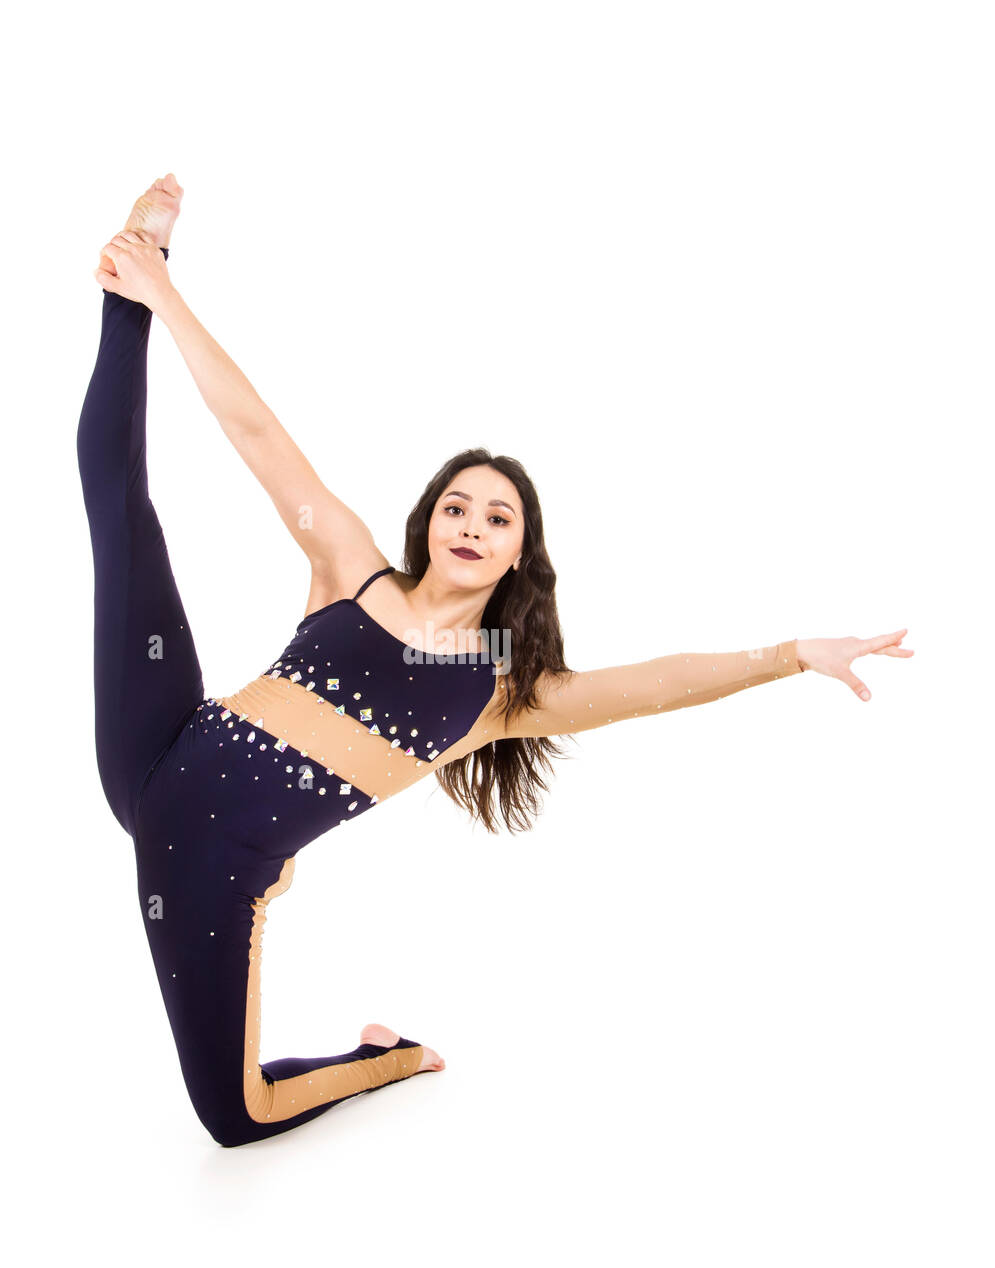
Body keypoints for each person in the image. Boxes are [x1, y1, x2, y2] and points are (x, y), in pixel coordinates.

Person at [77, 173, 913, 1148]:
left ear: (521, 549)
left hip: (210, 869)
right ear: (431, 521)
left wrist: (791, 653)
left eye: (498, 516)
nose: (472, 525)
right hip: (157, 752)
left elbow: (657, 684)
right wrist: (164, 291)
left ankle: (389, 1054)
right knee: (115, 498)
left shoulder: (503, 688)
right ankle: (127, 277)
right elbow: (254, 431)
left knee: (237, 1114)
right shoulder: (350, 565)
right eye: (458, 506)